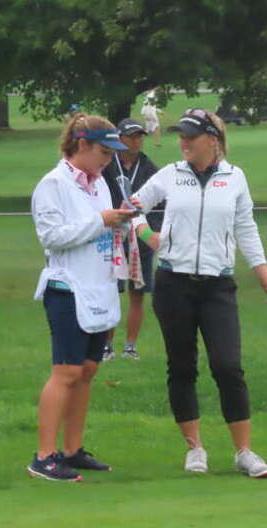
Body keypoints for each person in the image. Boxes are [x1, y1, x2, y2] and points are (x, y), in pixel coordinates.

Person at [129, 108, 267, 478]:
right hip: (173, 283)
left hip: (218, 285)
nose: (183, 142)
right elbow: (132, 207)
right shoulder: (171, 174)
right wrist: (146, 234)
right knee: (182, 366)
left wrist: (266, 280)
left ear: (212, 141)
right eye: (181, 136)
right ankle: (194, 448)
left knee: (228, 366)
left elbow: (246, 228)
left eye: (191, 136)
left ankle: (244, 451)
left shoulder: (235, 178)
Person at [28, 112, 134, 481]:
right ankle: (44, 456)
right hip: (67, 287)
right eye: (104, 152)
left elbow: (101, 229)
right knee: (67, 371)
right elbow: (52, 236)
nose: (109, 160)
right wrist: (101, 221)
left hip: (98, 286)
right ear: (82, 144)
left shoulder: (100, 184)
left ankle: (72, 450)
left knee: (88, 370)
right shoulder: (53, 184)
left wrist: (119, 224)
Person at [101, 118, 164, 360]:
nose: (136, 141)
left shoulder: (150, 168)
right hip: (111, 238)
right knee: (110, 292)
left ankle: (130, 346)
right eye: (131, 136)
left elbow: (161, 205)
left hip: (140, 241)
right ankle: (107, 345)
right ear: (119, 139)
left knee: (138, 293)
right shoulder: (107, 165)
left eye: (139, 136)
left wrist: (150, 233)